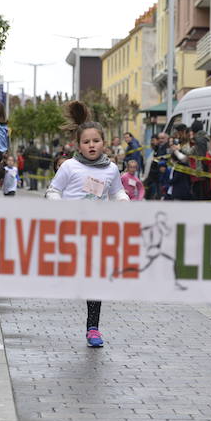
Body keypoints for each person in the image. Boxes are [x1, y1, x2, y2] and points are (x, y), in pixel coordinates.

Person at [46, 101, 129, 348]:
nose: (91, 145)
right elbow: (52, 191)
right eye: (86, 142)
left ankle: (93, 328)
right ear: (78, 145)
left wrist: (124, 202)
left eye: (96, 141)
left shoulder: (111, 169)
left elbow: (117, 192)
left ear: (104, 142)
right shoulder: (70, 167)